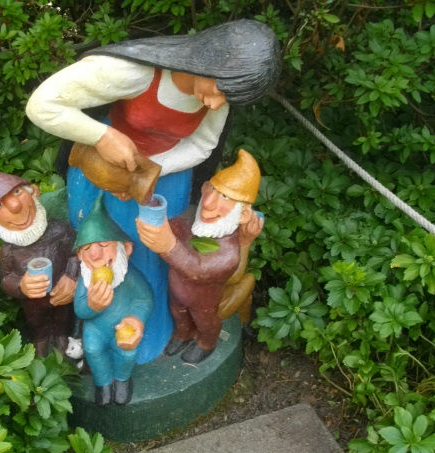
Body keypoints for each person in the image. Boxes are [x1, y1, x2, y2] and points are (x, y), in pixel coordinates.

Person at [26, 19, 281, 363]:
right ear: (210, 60)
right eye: (218, 90)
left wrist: (148, 172)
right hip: (99, 166)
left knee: (151, 255)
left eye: (226, 98)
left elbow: (203, 145)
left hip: (166, 175)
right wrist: (103, 136)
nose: (216, 104)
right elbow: (42, 105)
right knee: (96, 247)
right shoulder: (134, 72)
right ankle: (87, 326)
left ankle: (152, 330)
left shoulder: (217, 98)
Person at [137, 150, 263, 363]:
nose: (208, 203)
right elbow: (178, 226)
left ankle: (206, 343)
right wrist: (158, 222)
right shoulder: (196, 220)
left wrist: (168, 246)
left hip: (204, 300)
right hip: (177, 291)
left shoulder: (228, 251)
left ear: (242, 214)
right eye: (211, 190)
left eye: (224, 197)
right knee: (178, 313)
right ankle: (183, 334)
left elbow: (197, 270)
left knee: (206, 323)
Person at [0, 164, 79, 355]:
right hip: (33, 303)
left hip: (61, 294)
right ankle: (40, 341)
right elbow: (7, 278)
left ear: (34, 191)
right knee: (36, 322)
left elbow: (76, 253)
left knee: (63, 318)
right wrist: (21, 286)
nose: (15, 206)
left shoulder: (60, 230)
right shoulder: (8, 249)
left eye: (17, 192)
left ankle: (62, 338)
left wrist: (71, 275)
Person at [73, 194, 153, 406]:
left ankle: (122, 381)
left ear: (125, 248)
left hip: (123, 328)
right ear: (80, 256)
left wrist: (136, 319)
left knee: (127, 353)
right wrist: (91, 305)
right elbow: (79, 309)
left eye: (103, 244)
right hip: (96, 329)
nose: (95, 254)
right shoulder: (85, 282)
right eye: (86, 249)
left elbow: (144, 299)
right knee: (92, 350)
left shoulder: (130, 278)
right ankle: (103, 384)